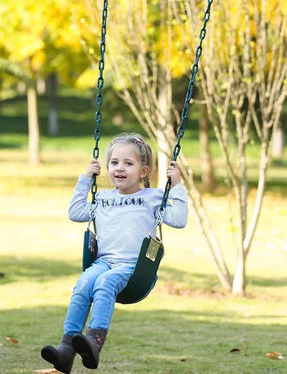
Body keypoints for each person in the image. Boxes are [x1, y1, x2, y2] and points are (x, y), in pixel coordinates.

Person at [41, 133, 188, 373]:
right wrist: (85, 180)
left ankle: (94, 341)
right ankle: (66, 348)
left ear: (143, 171)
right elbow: (76, 212)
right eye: (114, 163)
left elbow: (179, 220)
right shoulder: (103, 198)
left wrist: (178, 186)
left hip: (133, 268)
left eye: (128, 164)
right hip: (105, 261)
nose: (120, 168)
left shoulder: (151, 198)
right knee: (83, 284)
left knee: (105, 283)